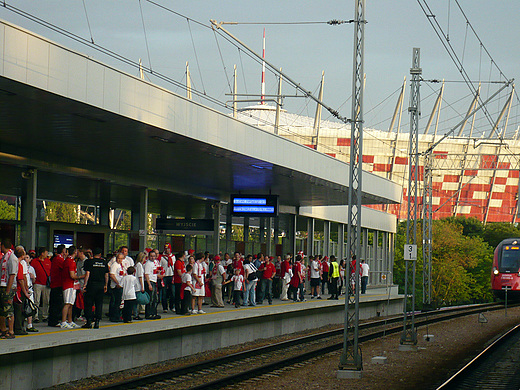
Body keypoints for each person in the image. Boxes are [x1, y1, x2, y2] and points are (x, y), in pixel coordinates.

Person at [82, 247, 108, 329]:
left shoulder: (89, 262)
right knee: (99, 303)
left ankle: (89, 321)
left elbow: (87, 274)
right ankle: (97, 321)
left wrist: (84, 285)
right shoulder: (104, 262)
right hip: (100, 285)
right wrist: (106, 285)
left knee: (89, 303)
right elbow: (106, 275)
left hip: (91, 284)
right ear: (100, 254)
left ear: (93, 253)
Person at [61, 246, 83, 329]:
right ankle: (63, 321)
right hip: (69, 284)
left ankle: (70, 321)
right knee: (67, 303)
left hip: (71, 285)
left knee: (70, 304)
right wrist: (82, 276)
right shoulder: (71, 261)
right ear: (75, 252)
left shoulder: (69, 260)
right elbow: (72, 275)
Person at [0, 239, 18, 339]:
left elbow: (12, 275)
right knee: (2, 309)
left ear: (3, 246)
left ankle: (10, 331)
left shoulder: (12, 258)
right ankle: (3, 329)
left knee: (8, 309)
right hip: (2, 286)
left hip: (8, 287)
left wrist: (8, 290)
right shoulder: (4, 257)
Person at [48, 244, 66, 327]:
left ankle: (53, 319)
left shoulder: (56, 259)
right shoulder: (59, 260)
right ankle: (54, 320)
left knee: (54, 303)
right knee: (56, 303)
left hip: (55, 284)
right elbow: (65, 268)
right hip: (57, 284)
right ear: (63, 251)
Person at [32, 247, 51, 323]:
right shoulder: (34, 261)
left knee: (46, 300)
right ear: (42, 253)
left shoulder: (48, 261)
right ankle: (35, 316)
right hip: (37, 283)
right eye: (46, 252)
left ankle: (45, 315)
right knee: (37, 300)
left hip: (46, 283)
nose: (47, 254)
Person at [144, 250, 161, 320]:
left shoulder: (155, 262)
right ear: (148, 256)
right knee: (150, 299)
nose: (153, 257)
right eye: (151, 256)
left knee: (155, 299)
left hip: (154, 281)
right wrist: (149, 284)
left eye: (154, 256)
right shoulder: (148, 263)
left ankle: (154, 312)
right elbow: (146, 274)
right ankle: (148, 314)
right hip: (150, 281)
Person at [109, 253, 125, 322]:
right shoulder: (114, 265)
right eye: (119, 258)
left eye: (121, 259)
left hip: (120, 285)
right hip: (115, 286)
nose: (120, 260)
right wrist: (117, 283)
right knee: (116, 301)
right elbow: (112, 275)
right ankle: (114, 316)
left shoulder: (120, 265)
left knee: (118, 302)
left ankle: (117, 315)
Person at [159, 243, 175, 313]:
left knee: (172, 292)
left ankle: (172, 306)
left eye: (168, 248)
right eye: (166, 249)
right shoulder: (162, 257)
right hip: (164, 276)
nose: (167, 250)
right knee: (164, 292)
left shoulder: (173, 257)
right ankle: (165, 307)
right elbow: (159, 267)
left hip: (171, 275)